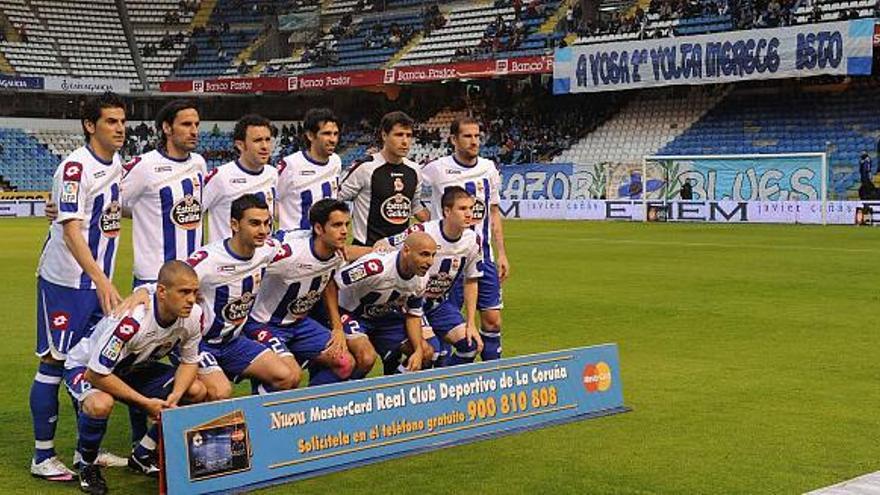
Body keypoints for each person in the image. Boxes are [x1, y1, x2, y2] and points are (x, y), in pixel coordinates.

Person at [30, 92, 128, 482]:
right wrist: (102, 278)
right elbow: (71, 231)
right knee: (54, 362)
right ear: (90, 125)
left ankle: (85, 449)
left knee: (88, 362)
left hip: (95, 283)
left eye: (122, 121)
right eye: (110, 121)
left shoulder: (116, 163)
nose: (120, 128)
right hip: (67, 283)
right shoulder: (74, 167)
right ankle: (42, 457)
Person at [63, 260, 207, 494]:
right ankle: (87, 465)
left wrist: (174, 398)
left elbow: (189, 361)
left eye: (194, 292)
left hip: (133, 368)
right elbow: (97, 374)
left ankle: (143, 453)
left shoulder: (194, 315)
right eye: (184, 292)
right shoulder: (132, 321)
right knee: (100, 404)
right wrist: (144, 403)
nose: (191, 299)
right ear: (162, 292)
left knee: (196, 390)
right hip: (86, 366)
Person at [186, 194, 300, 400]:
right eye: (255, 224)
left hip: (233, 342)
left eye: (267, 223)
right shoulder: (209, 259)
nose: (263, 230)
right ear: (234, 224)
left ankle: (260, 427)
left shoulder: (266, 250)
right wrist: (143, 291)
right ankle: (174, 430)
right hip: (199, 343)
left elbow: (298, 240)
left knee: (287, 376)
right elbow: (174, 278)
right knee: (220, 392)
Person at [419, 116, 509, 362]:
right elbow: (413, 193)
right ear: (453, 139)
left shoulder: (489, 168)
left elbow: (493, 212)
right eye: (467, 136)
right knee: (452, 325)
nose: (474, 141)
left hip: (484, 256)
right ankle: (447, 379)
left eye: (477, 136)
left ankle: (493, 376)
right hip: (449, 261)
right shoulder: (436, 168)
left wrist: (501, 253)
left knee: (492, 320)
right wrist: (427, 223)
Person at [245, 199, 361, 388]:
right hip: (264, 323)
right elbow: (250, 263)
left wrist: (337, 327)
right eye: (337, 225)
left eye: (346, 224)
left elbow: (330, 282)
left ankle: (313, 411)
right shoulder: (289, 254)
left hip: (300, 324)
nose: (344, 231)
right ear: (318, 228)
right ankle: (263, 412)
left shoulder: (337, 254)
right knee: (290, 375)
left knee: (345, 363)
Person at [377, 186, 483, 367]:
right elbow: (383, 244)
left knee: (470, 346)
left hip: (438, 304)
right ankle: (396, 385)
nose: (469, 214)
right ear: (447, 211)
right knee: (430, 352)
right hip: (411, 302)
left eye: (471, 208)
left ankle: (445, 389)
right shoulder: (423, 231)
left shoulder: (472, 240)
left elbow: (471, 280)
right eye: (462, 208)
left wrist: (471, 322)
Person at [121, 99, 207, 288]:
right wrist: (144, 213)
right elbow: (110, 202)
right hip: (155, 276)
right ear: (167, 128)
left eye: (196, 124)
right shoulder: (144, 166)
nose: (194, 131)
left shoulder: (199, 163)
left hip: (193, 272)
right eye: (186, 124)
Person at [336, 232, 436, 375]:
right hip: (351, 313)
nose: (430, 262)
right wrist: (335, 323)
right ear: (406, 251)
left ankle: (392, 392)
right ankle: (348, 394)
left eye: (433, 255)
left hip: (384, 317)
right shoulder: (375, 266)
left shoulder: (421, 279)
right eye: (424, 254)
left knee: (426, 353)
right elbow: (333, 283)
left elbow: (413, 315)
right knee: (366, 357)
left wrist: (418, 350)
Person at [339, 111, 425, 246]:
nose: (405, 141)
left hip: (399, 253)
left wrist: (441, 224)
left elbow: (415, 206)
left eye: (409, 136)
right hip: (367, 250)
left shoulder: (414, 170)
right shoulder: (365, 168)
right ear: (384, 135)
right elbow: (337, 198)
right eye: (399, 135)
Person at [203, 114, 278, 244]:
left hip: (263, 260)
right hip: (227, 260)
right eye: (257, 140)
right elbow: (194, 215)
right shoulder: (220, 177)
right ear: (240, 145)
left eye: (267, 139)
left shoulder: (273, 174)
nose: (265, 146)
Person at [277, 108, 342, 231]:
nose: (333, 140)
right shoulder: (290, 165)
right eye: (326, 133)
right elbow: (273, 199)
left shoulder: (336, 162)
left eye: (335, 134)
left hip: (324, 242)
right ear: (310, 135)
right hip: (295, 242)